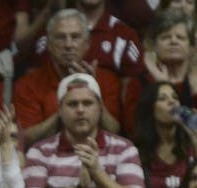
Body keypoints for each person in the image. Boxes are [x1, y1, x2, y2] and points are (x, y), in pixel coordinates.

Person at [12, 9, 122, 145]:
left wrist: (92, 90)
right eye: (61, 37)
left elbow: (114, 131)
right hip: (47, 159)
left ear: (87, 43)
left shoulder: (107, 79)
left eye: (75, 37)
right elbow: (26, 138)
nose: (68, 45)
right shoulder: (27, 84)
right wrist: (67, 104)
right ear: (49, 45)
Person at [124, 9, 197, 137]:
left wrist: (195, 80)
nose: (173, 41)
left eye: (180, 37)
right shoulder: (139, 82)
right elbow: (133, 128)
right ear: (154, 45)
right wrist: (161, 86)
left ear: (191, 46)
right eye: (166, 37)